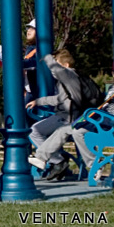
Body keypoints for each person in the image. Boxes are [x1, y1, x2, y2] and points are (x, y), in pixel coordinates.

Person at [26, 49, 82, 181]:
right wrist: (39, 101)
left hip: (66, 118)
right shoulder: (71, 80)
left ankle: (57, 160)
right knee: (38, 130)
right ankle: (57, 158)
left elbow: (61, 99)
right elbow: (59, 99)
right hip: (67, 116)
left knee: (34, 131)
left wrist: (46, 57)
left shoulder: (68, 75)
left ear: (66, 65)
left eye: (58, 64)